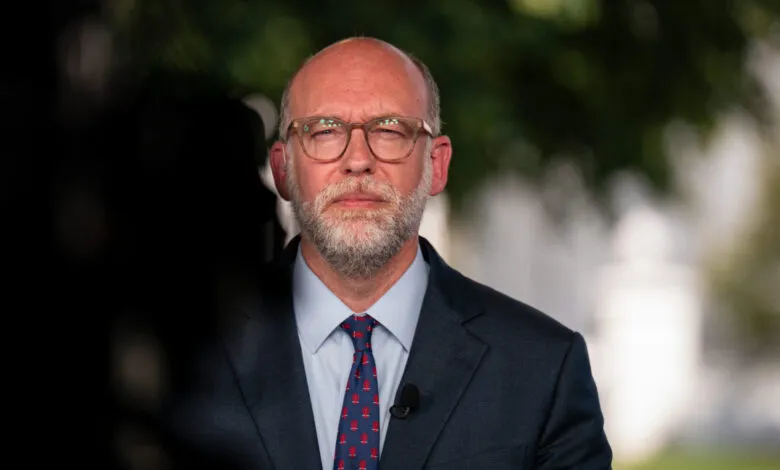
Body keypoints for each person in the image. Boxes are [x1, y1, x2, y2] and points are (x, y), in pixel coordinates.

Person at [162, 37, 612, 470]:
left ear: (436, 165)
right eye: (324, 131)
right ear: (282, 169)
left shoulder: (542, 368)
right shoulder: (184, 354)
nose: (358, 160)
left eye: (390, 130)